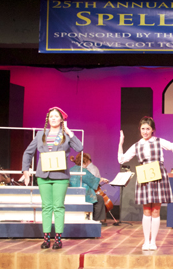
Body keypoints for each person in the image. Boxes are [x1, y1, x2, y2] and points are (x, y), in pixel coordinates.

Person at [118, 117, 173, 251]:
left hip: (158, 175)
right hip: (144, 175)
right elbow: (122, 159)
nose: (145, 131)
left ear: (152, 129)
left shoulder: (159, 142)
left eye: (148, 129)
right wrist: (121, 142)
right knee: (146, 210)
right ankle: (146, 241)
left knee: (156, 210)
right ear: (140, 129)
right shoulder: (137, 145)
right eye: (143, 129)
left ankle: (153, 241)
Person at [22, 107, 83, 250]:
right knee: (46, 207)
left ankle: (58, 239)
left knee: (58, 206)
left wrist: (69, 132)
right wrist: (25, 170)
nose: (53, 119)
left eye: (56, 116)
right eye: (50, 116)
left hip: (60, 175)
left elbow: (79, 148)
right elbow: (28, 152)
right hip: (43, 175)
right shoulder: (40, 134)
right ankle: (46, 239)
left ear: (62, 119)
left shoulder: (66, 135)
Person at [72, 153, 110, 224]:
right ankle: (95, 220)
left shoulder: (71, 169)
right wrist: (101, 179)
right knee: (99, 199)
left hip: (72, 195)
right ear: (84, 162)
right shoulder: (84, 171)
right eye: (86, 163)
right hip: (83, 195)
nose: (86, 165)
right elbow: (93, 180)